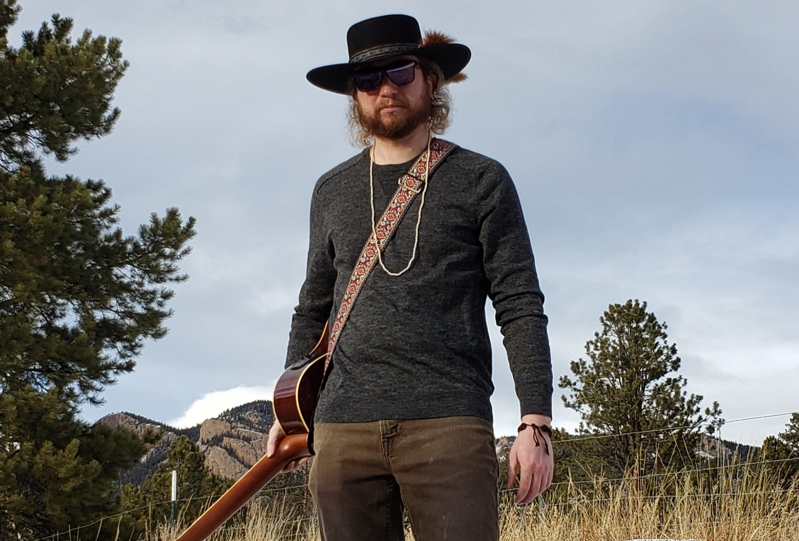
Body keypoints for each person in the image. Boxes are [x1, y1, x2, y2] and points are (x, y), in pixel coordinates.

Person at [266, 14, 553, 541]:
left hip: (447, 424)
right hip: (342, 429)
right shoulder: (330, 191)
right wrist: (291, 413)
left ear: (429, 79)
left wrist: (535, 421)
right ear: (355, 96)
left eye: (399, 71)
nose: (385, 88)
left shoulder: (482, 180)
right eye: (368, 80)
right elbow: (313, 306)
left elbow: (519, 302)